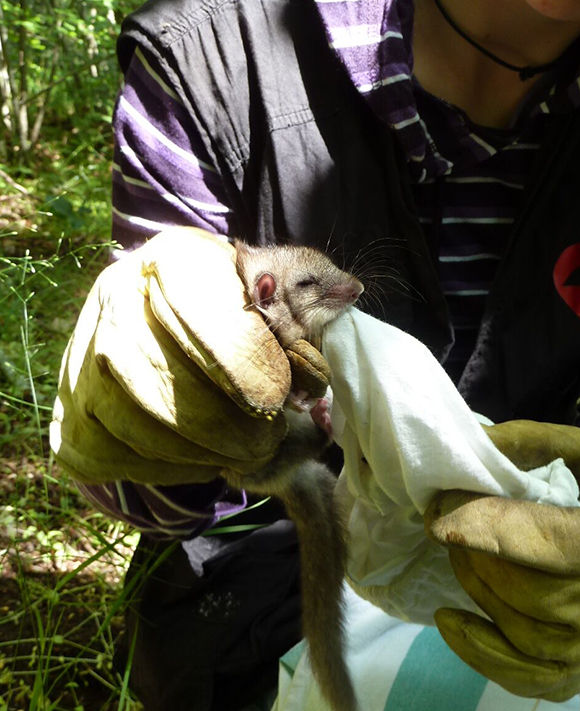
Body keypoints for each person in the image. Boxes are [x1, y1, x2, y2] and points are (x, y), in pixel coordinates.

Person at [50, 0, 580, 708]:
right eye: (324, 286)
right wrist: (145, 409)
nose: (351, 292)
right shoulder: (210, 58)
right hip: (253, 575)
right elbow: (137, 495)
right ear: (266, 288)